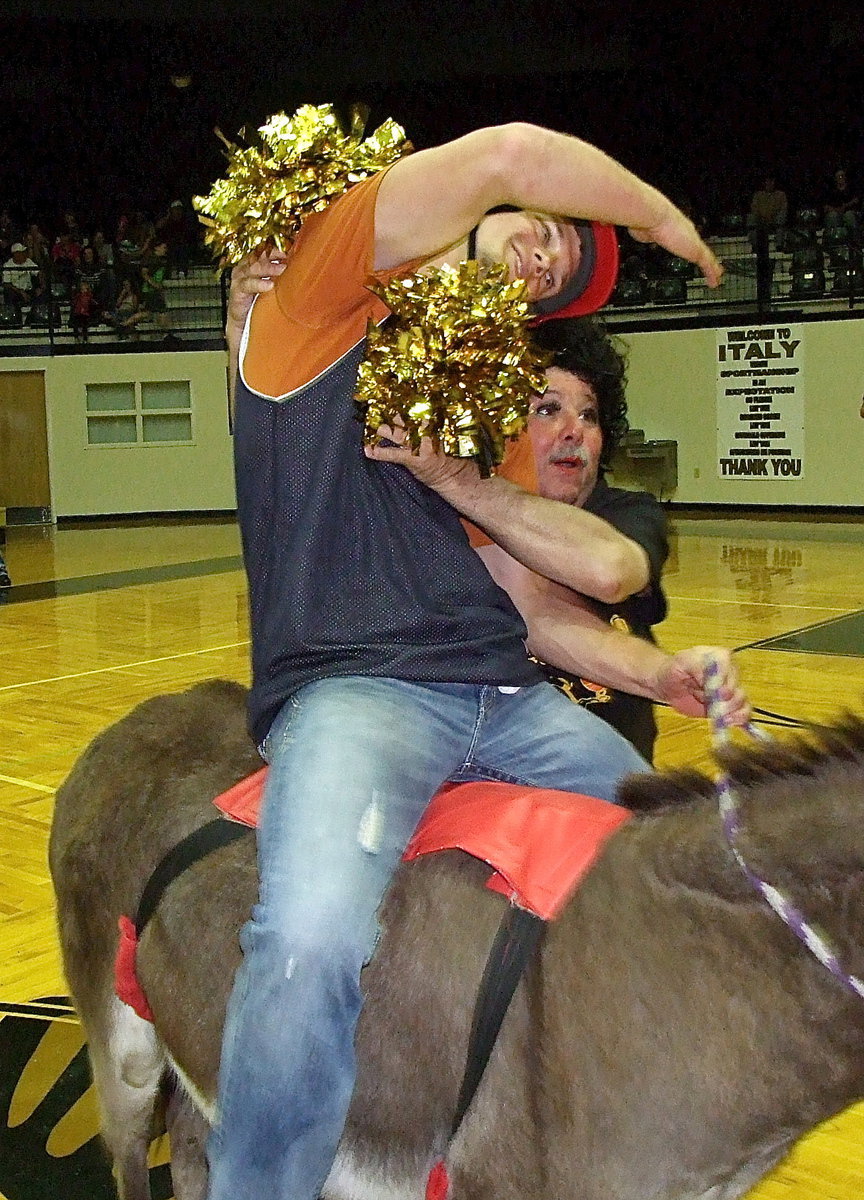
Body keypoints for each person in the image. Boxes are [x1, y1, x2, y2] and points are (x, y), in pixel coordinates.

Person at [210, 121, 730, 1200]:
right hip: (356, 692)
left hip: (508, 698)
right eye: (552, 233)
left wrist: (657, 676)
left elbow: (534, 610)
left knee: (690, 870)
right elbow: (509, 150)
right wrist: (656, 214)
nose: (552, 258)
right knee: (307, 942)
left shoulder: (475, 402)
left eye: (567, 275)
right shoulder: (317, 284)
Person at [747, 173, 787, 252]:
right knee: (751, 219)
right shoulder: (758, 195)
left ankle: (779, 245)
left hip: (775, 220)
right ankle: (755, 245)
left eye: (771, 182)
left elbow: (783, 209)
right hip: (761, 220)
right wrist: (762, 216)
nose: (770, 184)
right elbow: (754, 209)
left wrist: (773, 215)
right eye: (767, 181)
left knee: (781, 218)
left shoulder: (781, 195)